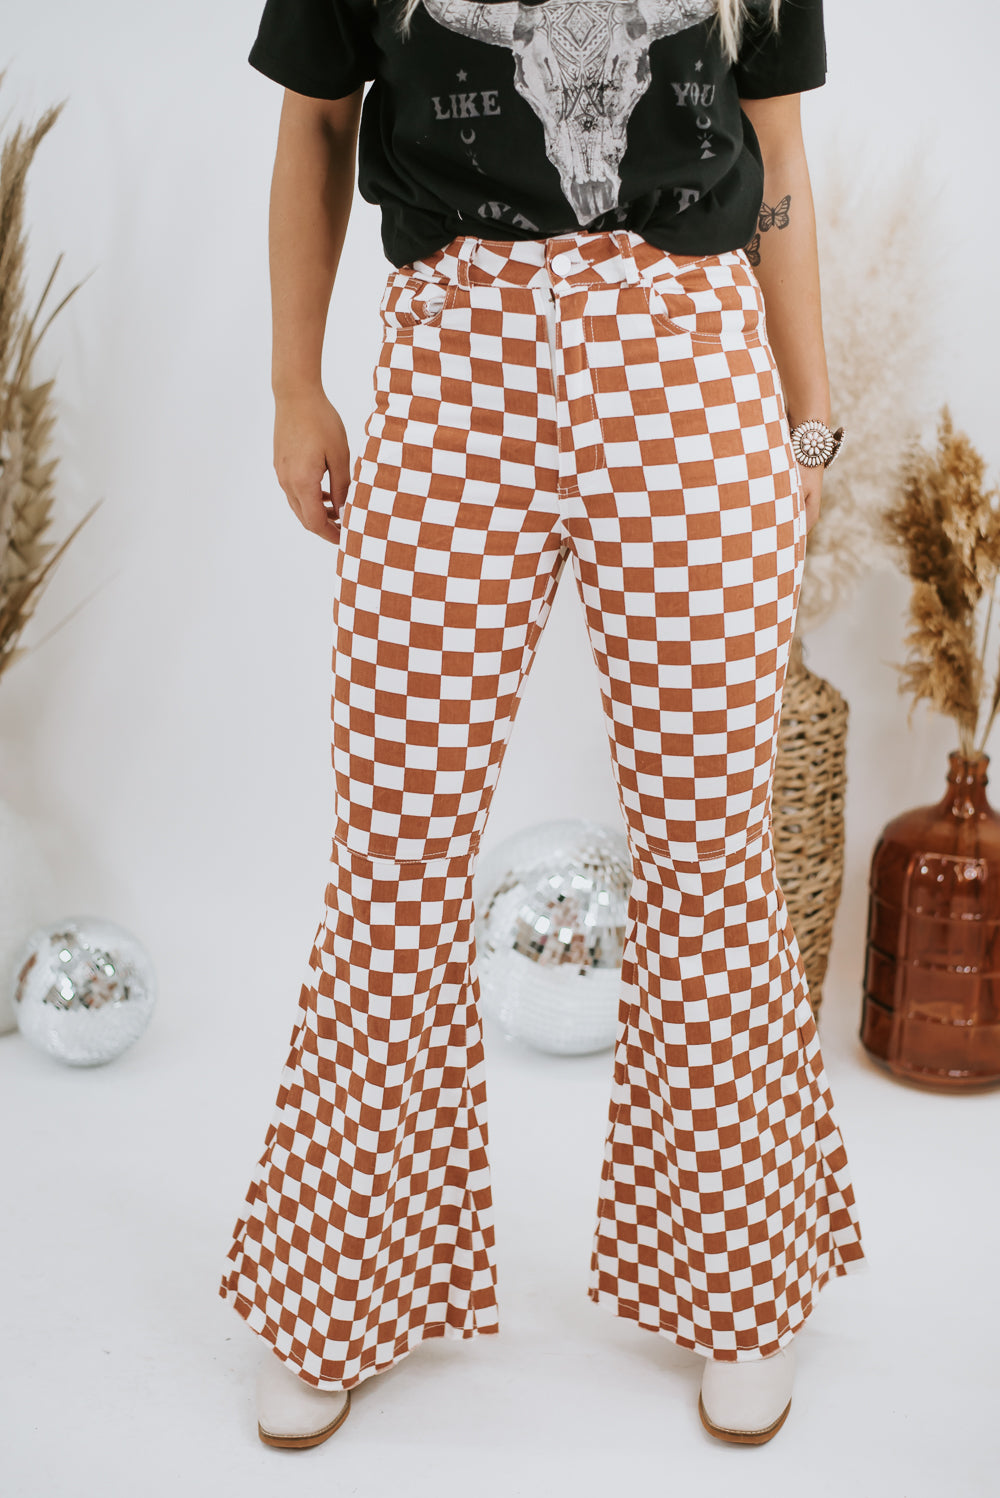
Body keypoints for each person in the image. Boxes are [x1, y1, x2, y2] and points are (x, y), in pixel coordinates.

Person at [219, 0, 867, 1451]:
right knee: (395, 846)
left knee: (707, 847)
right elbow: (316, 120)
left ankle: (742, 1291)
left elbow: (775, 150)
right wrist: (294, 384)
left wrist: (809, 415)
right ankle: (333, 1292)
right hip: (455, 363)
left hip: (689, 366)